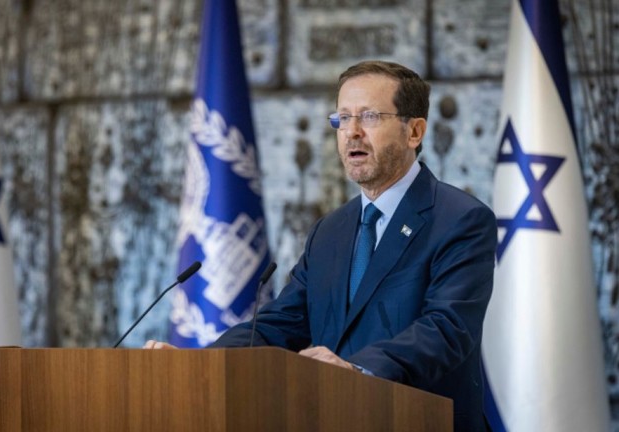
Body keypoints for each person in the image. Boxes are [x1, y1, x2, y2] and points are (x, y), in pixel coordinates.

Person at [145, 60, 497, 431]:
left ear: (414, 131)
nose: (352, 132)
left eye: (370, 117)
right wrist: (199, 364)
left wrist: (356, 369)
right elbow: (280, 324)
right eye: (342, 118)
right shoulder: (330, 231)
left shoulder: (461, 219)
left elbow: (446, 328)